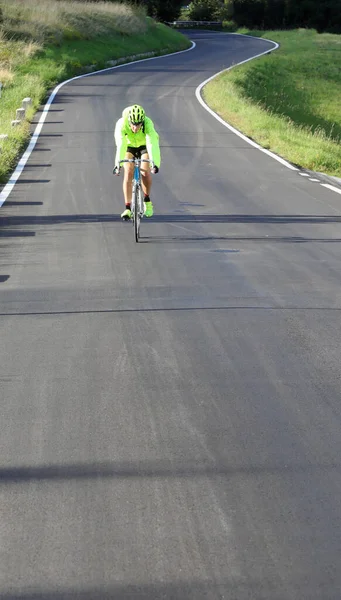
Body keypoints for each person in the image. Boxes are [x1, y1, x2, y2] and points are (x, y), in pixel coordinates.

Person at [113, 104, 161, 220]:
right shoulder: (121, 124)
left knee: (145, 172)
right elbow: (121, 145)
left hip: (144, 146)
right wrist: (117, 164)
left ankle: (147, 200)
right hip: (128, 146)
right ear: (129, 121)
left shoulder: (147, 123)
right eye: (133, 125)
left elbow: (152, 143)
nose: (135, 128)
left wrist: (154, 163)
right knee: (128, 172)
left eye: (138, 125)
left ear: (142, 122)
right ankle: (128, 208)